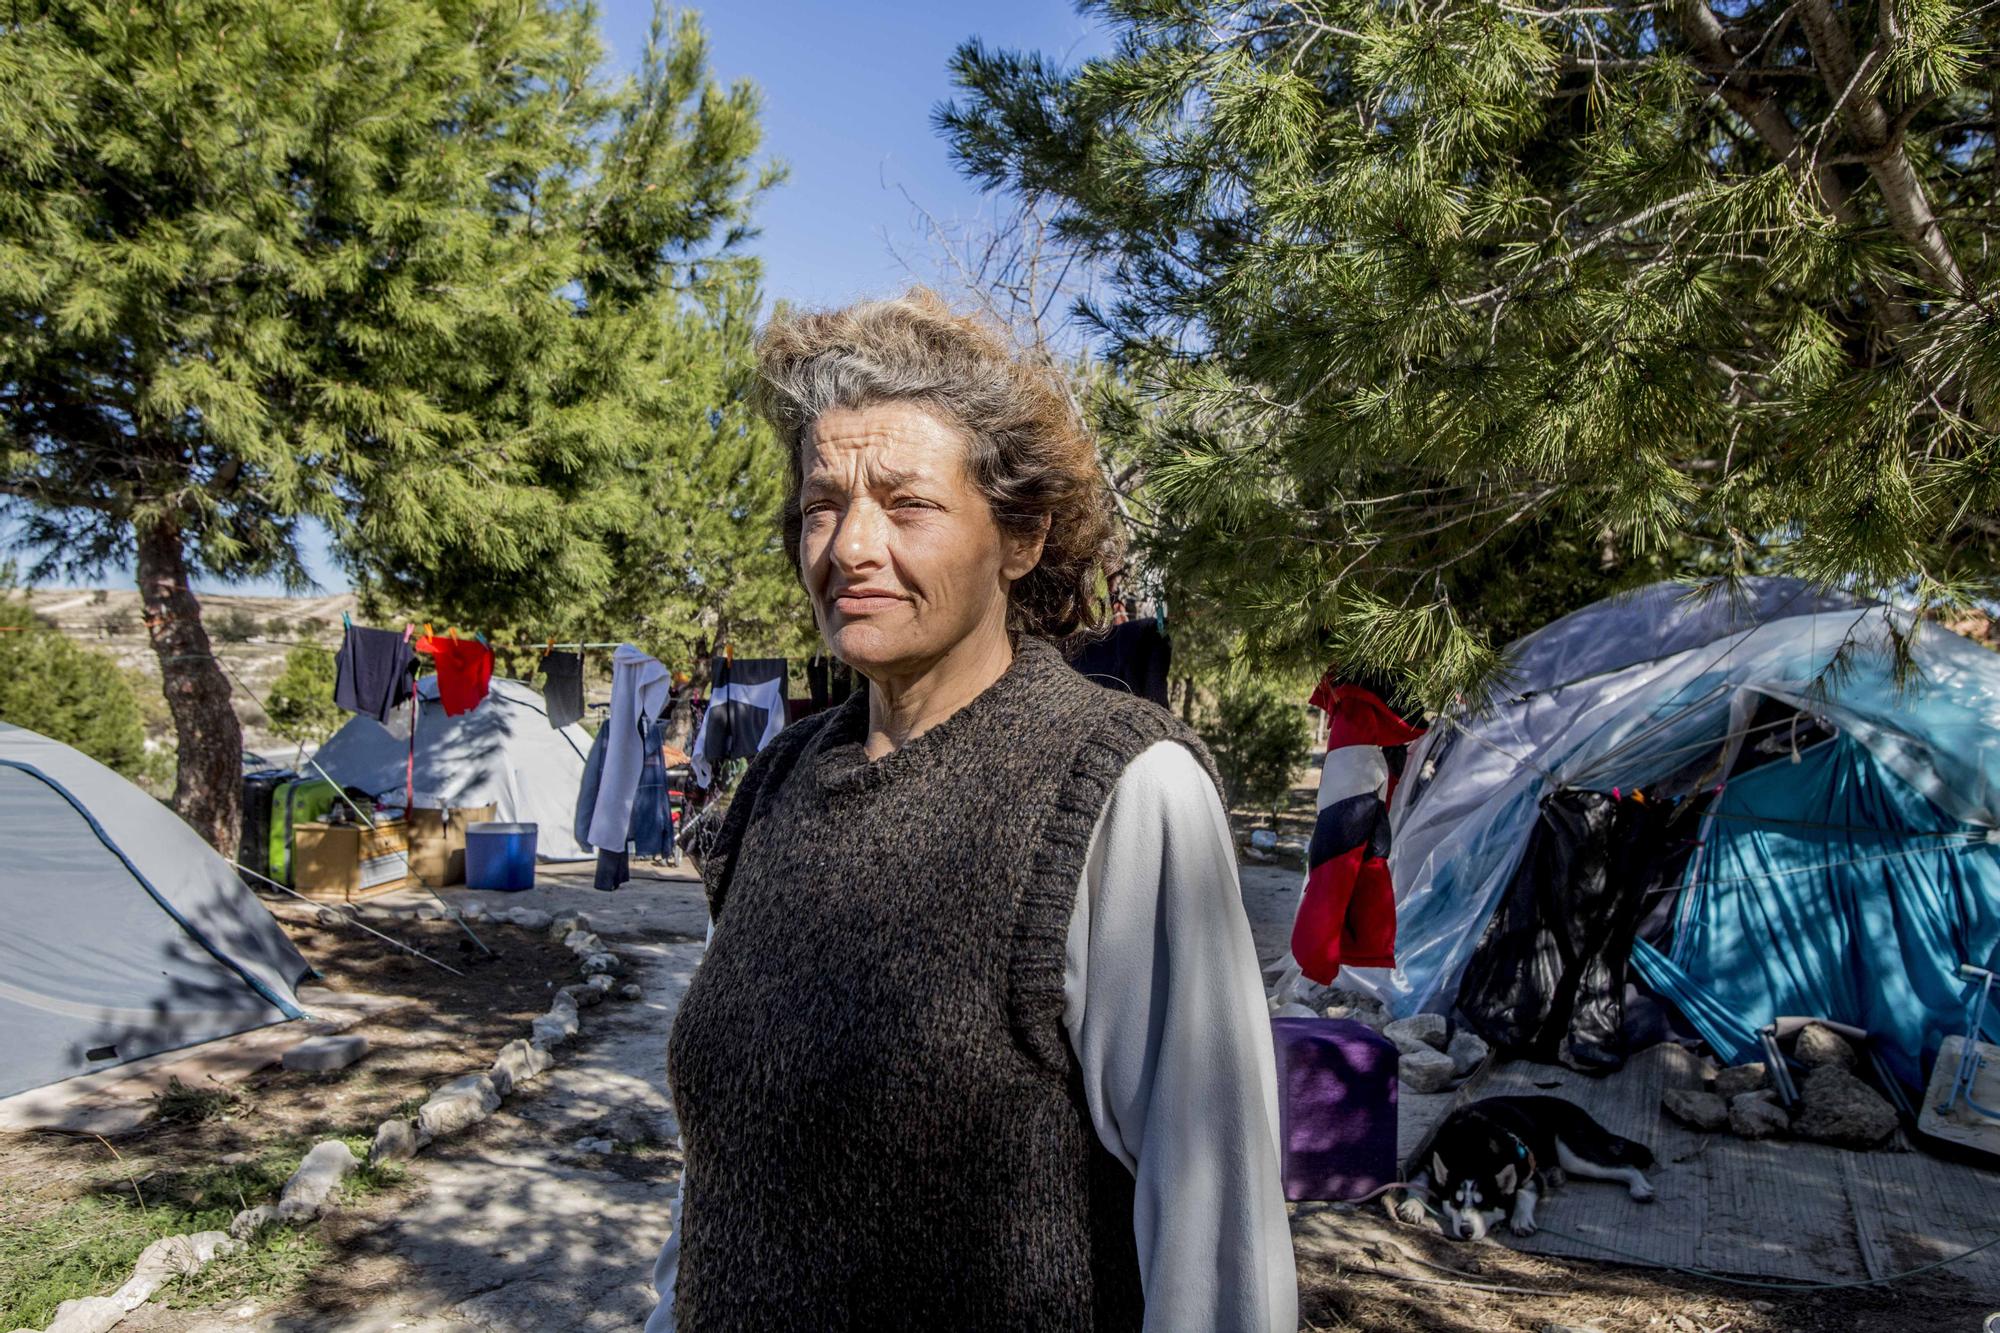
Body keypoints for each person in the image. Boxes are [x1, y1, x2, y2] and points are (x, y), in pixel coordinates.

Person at [646, 289, 1295, 1332]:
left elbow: (1212, 1231)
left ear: (1020, 537)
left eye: (905, 505)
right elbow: (729, 1162)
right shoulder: (776, 785)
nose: (849, 546)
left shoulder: (1120, 787)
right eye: (821, 506)